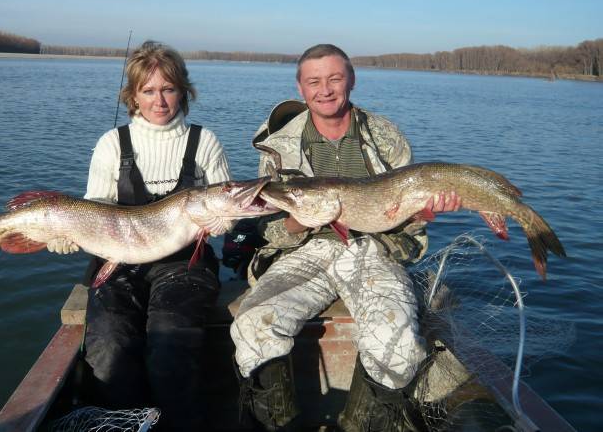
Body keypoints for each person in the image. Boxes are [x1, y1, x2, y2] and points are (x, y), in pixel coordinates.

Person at [230, 44, 459, 432]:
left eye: (335, 78)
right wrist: (297, 224)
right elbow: (263, 227)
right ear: (300, 87)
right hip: (303, 253)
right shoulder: (278, 147)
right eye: (313, 81)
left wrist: (422, 210)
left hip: (371, 250)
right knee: (252, 324)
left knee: (399, 344)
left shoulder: (386, 137)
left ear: (351, 80)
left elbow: (412, 229)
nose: (325, 89)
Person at [47, 40, 231, 431]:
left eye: (168, 89)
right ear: (133, 96)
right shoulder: (112, 144)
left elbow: (225, 203)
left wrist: (223, 222)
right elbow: (91, 209)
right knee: (110, 341)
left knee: (170, 341)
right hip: (119, 260)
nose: (159, 100)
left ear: (183, 91)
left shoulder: (205, 142)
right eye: (148, 90)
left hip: (185, 263)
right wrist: (66, 233)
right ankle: (126, 422)